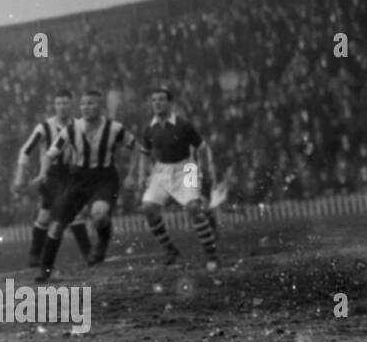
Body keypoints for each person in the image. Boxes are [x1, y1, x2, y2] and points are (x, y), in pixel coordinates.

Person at [37, 89, 136, 283]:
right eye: (83, 104)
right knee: (56, 226)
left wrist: (132, 175)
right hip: (78, 179)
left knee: (99, 215)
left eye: (91, 103)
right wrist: (43, 173)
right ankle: (44, 268)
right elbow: (50, 154)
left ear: (100, 107)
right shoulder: (71, 129)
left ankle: (101, 245)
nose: (86, 107)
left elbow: (135, 147)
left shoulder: (114, 128)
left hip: (104, 178)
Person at [135, 86, 219, 273]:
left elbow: (202, 148)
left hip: (186, 167)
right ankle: (170, 250)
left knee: (194, 209)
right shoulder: (149, 129)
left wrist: (206, 172)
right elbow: (144, 153)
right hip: (162, 170)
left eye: (161, 99)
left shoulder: (183, 125)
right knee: (148, 208)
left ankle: (211, 255)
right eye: (154, 100)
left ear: (169, 103)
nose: (157, 103)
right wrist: (142, 175)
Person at [12, 89, 93, 268]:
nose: (62, 107)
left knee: (47, 215)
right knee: (69, 212)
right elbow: (26, 150)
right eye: (58, 103)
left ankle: (35, 255)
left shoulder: (79, 125)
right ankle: (87, 253)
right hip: (50, 176)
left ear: (71, 105)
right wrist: (19, 175)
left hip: (72, 174)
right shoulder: (44, 127)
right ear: (54, 106)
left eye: (65, 103)